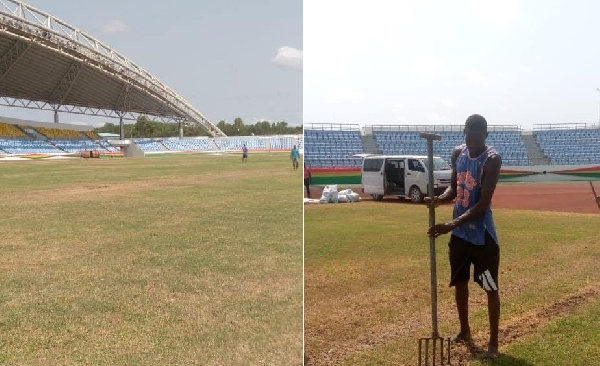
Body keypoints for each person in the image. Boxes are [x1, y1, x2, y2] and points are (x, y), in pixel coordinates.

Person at [426, 114, 502, 360]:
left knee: (489, 287)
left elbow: (482, 204)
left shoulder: (492, 160)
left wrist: (450, 224)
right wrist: (440, 197)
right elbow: (455, 187)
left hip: (482, 238)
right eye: (467, 137)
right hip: (459, 236)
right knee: (460, 282)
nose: (470, 143)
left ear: (485, 136)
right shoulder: (458, 153)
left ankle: (493, 343)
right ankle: (465, 331)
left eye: (476, 139)